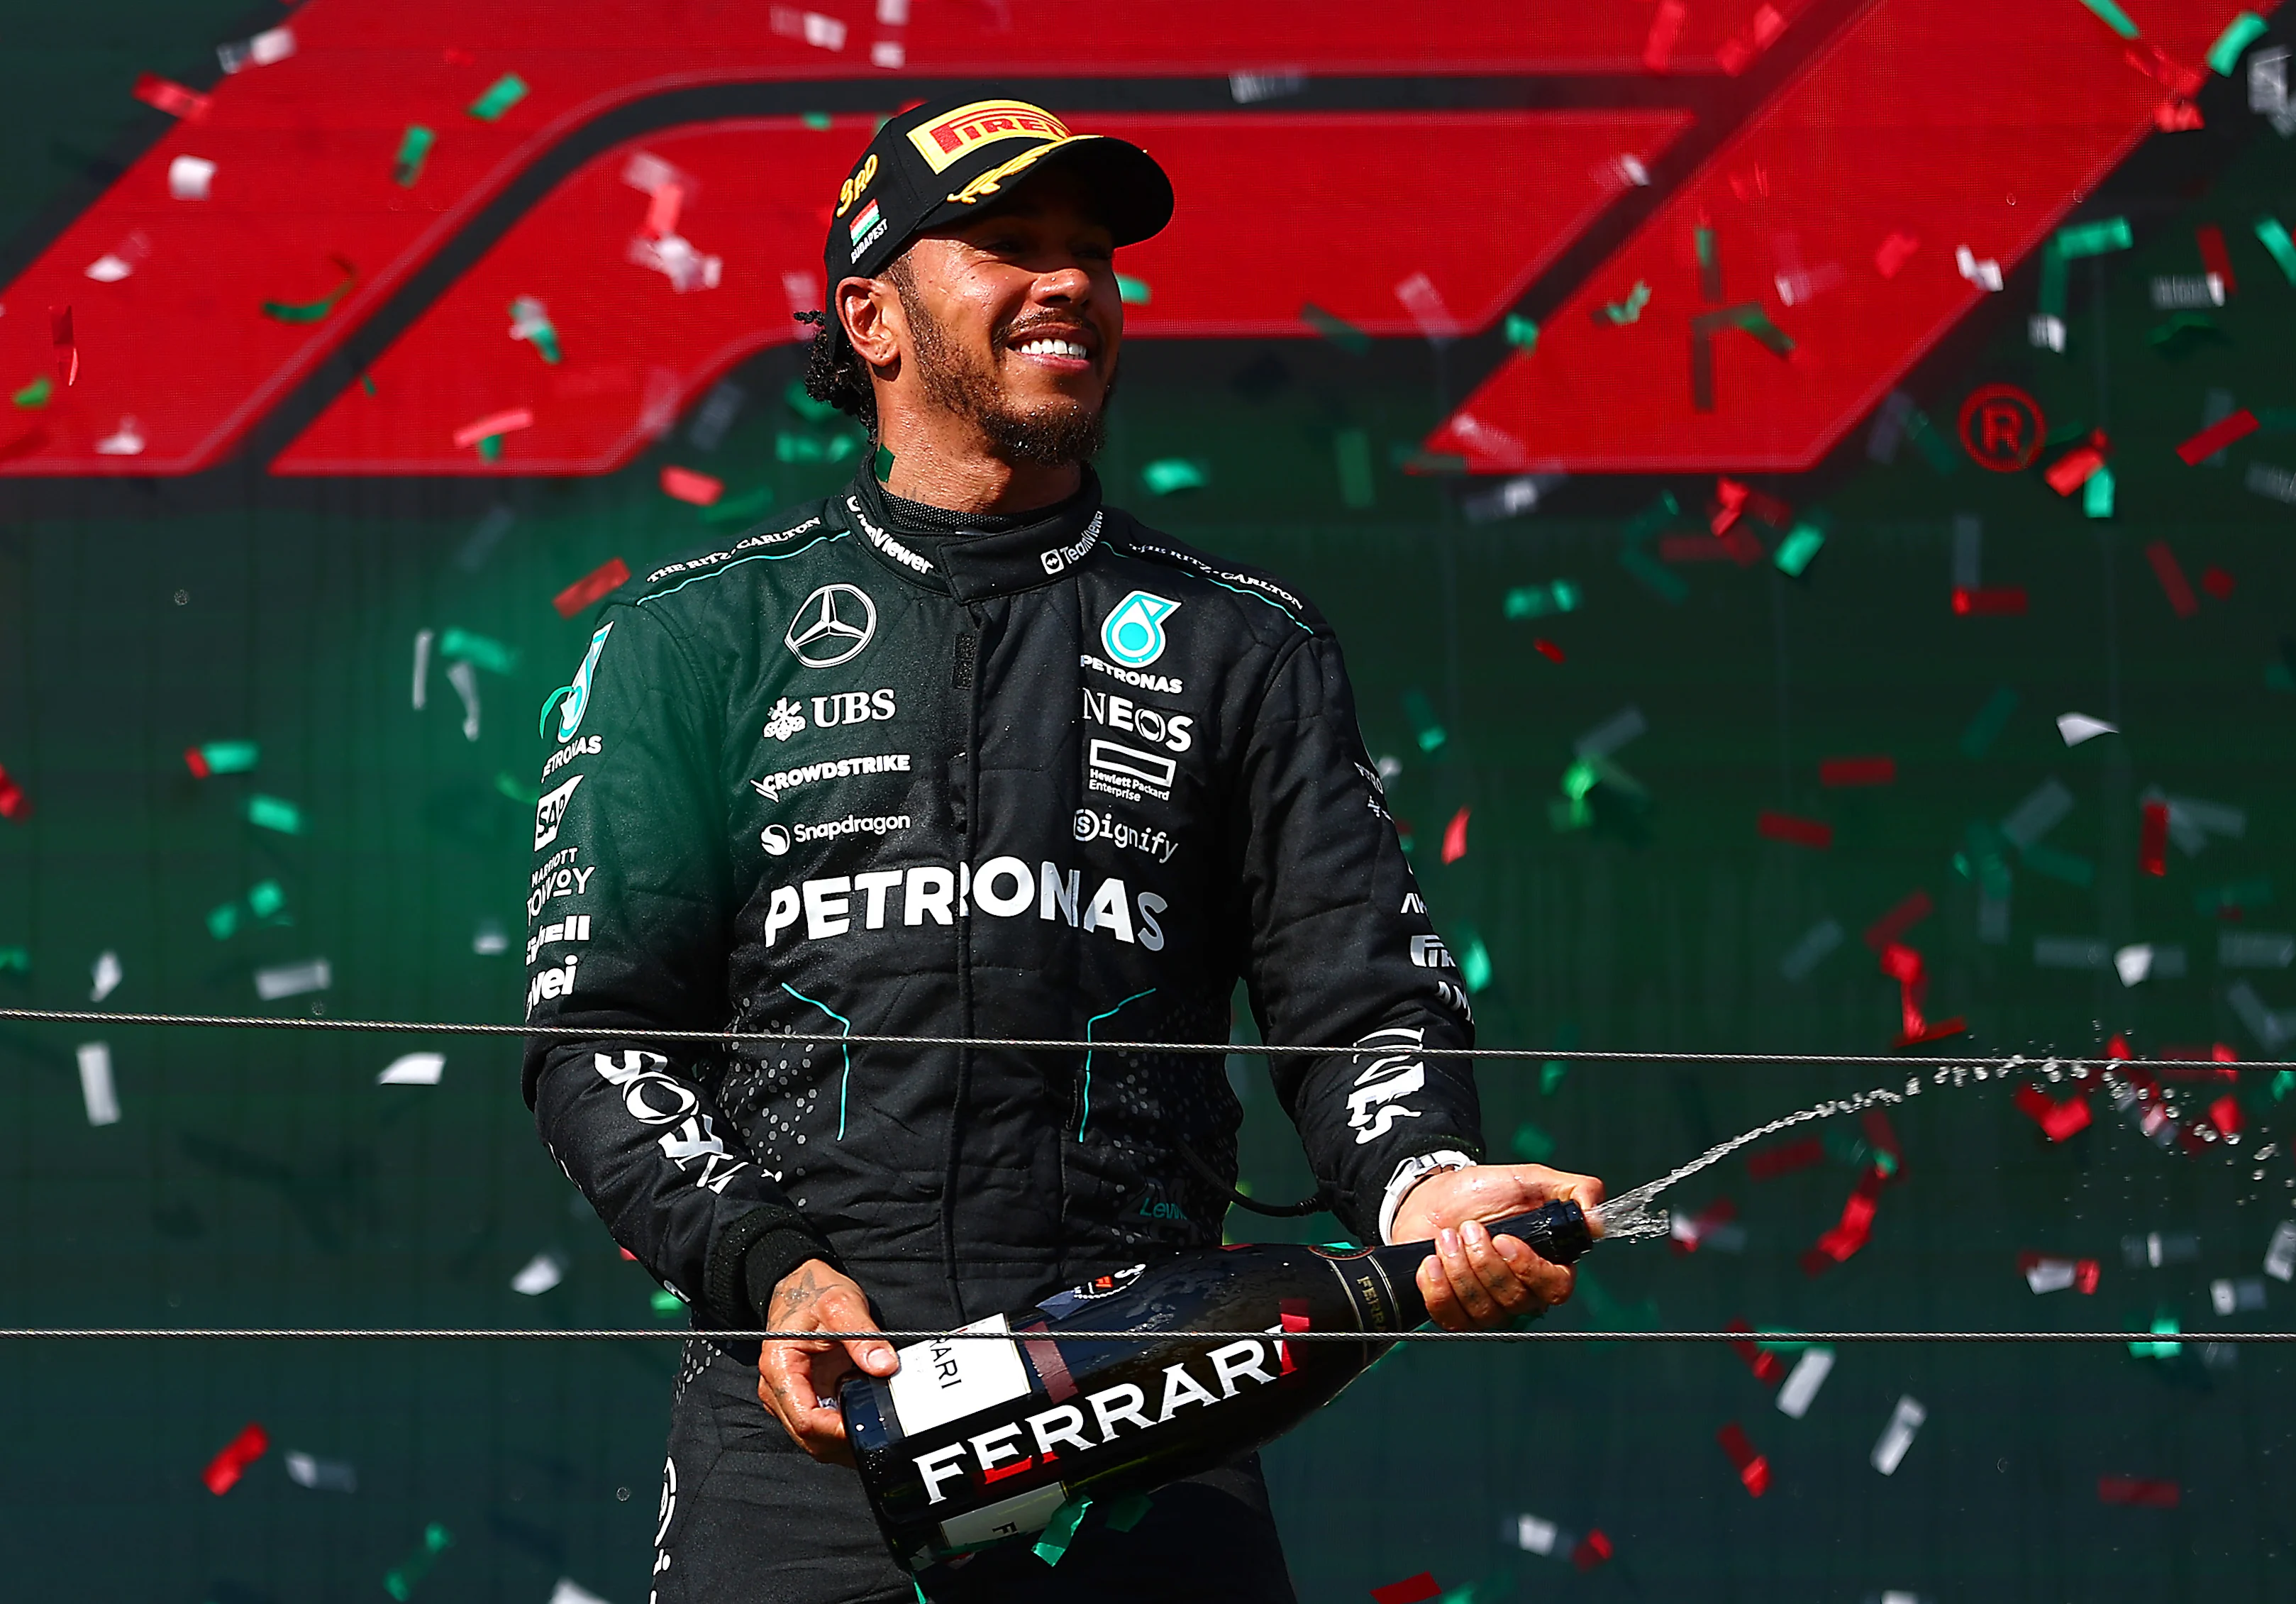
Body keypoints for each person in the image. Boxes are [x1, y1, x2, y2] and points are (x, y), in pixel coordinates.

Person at [522, 94, 1606, 1604]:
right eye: (1007, 246)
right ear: (872, 317)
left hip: (1156, 1392)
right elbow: (601, 1031)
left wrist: (1426, 1183)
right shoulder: (691, 637)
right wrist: (771, 1272)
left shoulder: (1245, 642)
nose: (1070, 283)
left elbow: (1357, 996)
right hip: (817, 1415)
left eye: (1090, 253)